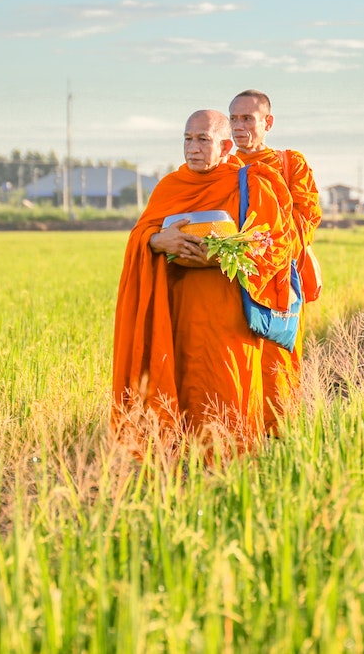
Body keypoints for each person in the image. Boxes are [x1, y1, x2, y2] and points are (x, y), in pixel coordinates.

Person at [112, 109, 296, 455]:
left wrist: (222, 256)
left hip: (230, 319)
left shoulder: (253, 183)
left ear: (226, 146)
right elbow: (142, 233)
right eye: (187, 139)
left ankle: (232, 474)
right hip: (176, 315)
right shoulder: (170, 186)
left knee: (227, 393)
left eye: (202, 140)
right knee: (178, 389)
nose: (192, 148)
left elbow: (275, 245)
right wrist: (156, 241)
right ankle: (177, 470)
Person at [228, 89, 322, 434]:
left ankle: (279, 438)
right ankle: (239, 436)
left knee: (277, 365)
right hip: (230, 282)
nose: (239, 126)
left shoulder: (289, 163)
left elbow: (306, 221)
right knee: (236, 364)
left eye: (247, 118)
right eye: (234, 119)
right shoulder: (223, 165)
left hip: (279, 283)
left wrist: (261, 247)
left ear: (267, 122)